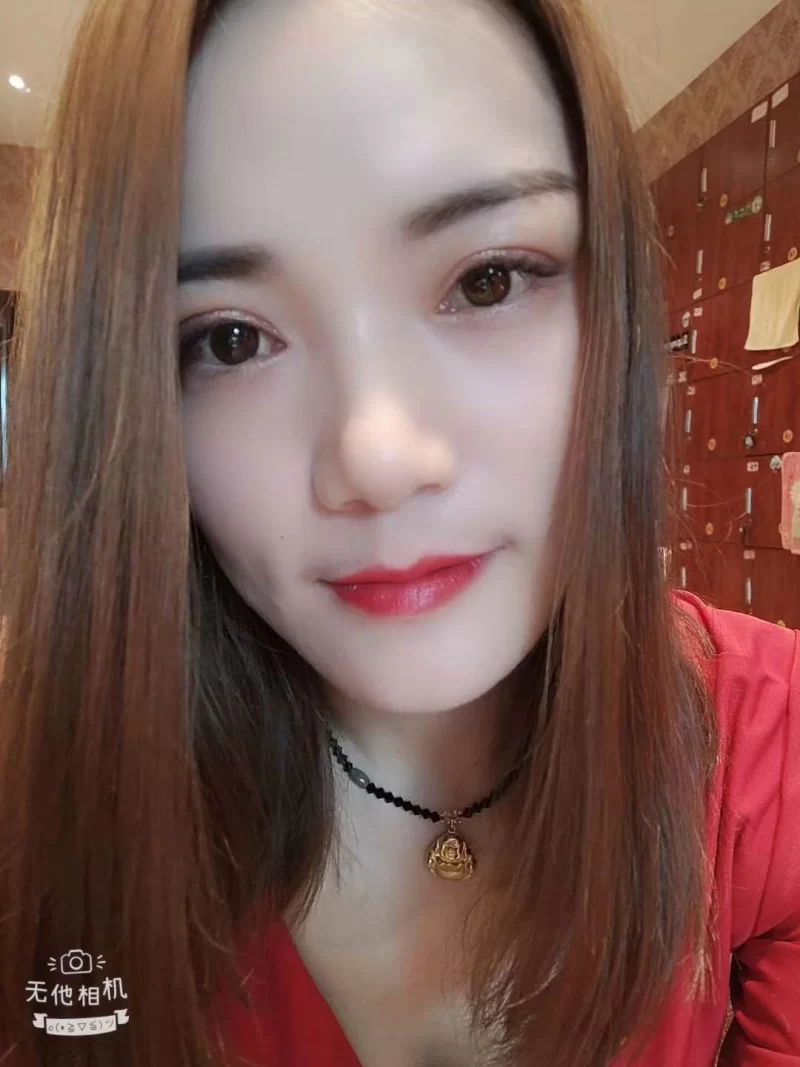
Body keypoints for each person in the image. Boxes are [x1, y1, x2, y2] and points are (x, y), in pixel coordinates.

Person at [0, 0, 797, 1064]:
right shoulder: (49, 802)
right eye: (230, 339)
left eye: (487, 279)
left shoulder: (768, 748)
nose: (376, 457)